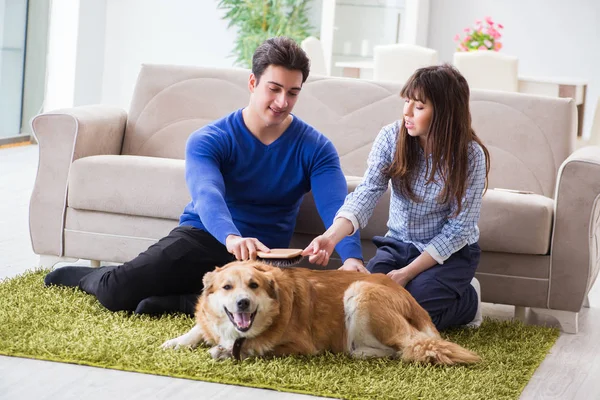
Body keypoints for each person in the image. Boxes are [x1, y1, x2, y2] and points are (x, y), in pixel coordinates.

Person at [44, 36, 363, 315]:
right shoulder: (210, 139)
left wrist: (350, 258)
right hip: (203, 237)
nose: (282, 102)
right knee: (117, 293)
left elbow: (338, 207)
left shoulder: (316, 147)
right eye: (274, 89)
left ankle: (182, 302)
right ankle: (91, 276)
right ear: (253, 84)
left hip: (263, 257)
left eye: (292, 92)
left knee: (272, 307)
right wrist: (232, 237)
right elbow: (207, 193)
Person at [302, 64, 490, 331]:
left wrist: (406, 274)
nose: (407, 112)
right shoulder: (391, 137)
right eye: (407, 101)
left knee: (413, 316)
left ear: (445, 113)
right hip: (399, 244)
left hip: (451, 254)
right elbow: (367, 192)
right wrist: (330, 237)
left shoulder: (471, 155)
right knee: (365, 304)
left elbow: (459, 231)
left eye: (419, 106)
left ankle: (469, 300)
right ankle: (435, 289)